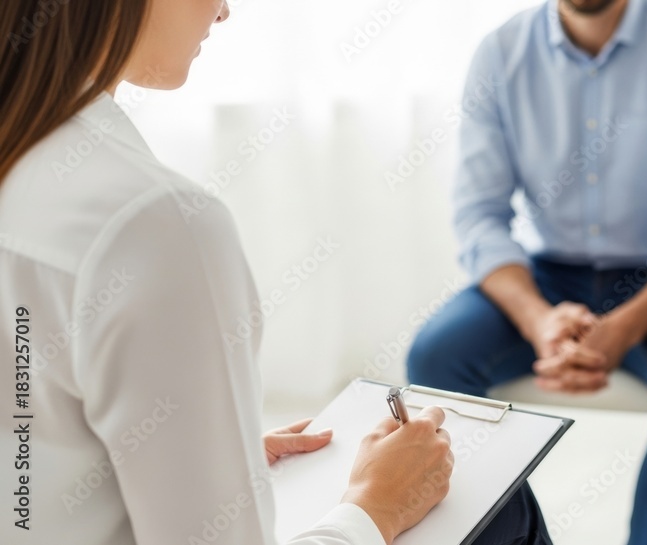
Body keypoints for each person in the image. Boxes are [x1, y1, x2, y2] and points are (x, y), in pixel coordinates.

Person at [0, 1, 547, 544]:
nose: (224, 11)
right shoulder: (155, 223)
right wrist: (375, 509)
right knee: (501, 507)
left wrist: (203, 462)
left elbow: (35, 459)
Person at [406, 0, 647, 543]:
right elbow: (479, 216)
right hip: (545, 277)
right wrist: (538, 320)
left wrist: (624, 327)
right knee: (435, 358)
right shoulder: (500, 52)